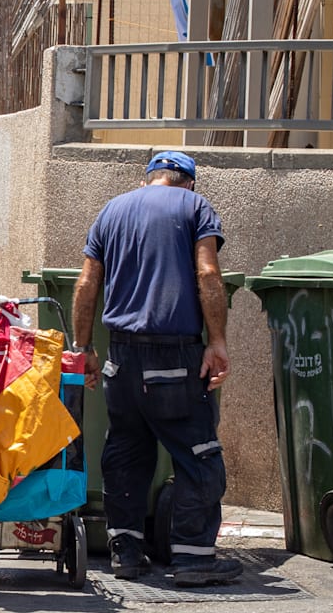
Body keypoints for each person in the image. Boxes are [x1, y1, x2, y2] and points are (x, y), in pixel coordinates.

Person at [69, 150, 241, 588]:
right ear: (188, 183)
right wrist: (217, 342)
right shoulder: (195, 207)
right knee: (200, 458)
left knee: (125, 454)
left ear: (146, 180)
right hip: (173, 358)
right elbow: (207, 273)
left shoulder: (112, 210)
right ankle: (193, 557)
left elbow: (87, 283)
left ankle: (126, 551)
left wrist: (84, 348)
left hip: (120, 360)